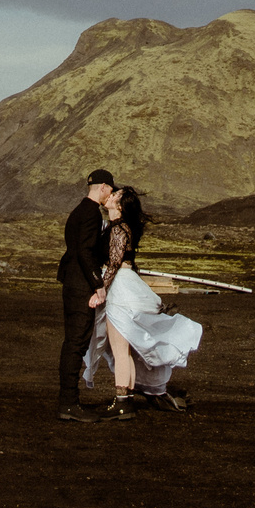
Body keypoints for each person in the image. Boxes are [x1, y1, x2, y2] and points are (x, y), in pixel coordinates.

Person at [81, 183, 202, 419]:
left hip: (120, 290)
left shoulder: (118, 229)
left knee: (120, 349)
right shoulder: (119, 227)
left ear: (120, 205)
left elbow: (114, 265)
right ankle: (126, 399)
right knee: (122, 349)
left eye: (115, 195)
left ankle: (123, 402)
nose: (110, 195)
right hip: (126, 286)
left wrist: (100, 290)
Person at [56, 170, 121, 423]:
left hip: (71, 283)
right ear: (103, 187)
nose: (111, 194)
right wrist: (98, 284)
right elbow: (84, 251)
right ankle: (68, 403)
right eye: (111, 190)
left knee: (74, 342)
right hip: (81, 285)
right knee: (76, 343)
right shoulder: (92, 213)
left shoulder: (78, 211)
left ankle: (69, 401)